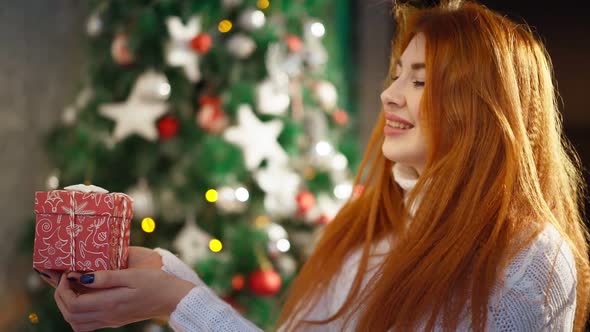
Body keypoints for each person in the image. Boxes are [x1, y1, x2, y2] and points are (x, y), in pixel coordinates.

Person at [40, 0, 590, 331]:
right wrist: (163, 279)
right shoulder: (367, 237)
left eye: (419, 80)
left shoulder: (527, 260)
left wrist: (183, 304)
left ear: (485, 106)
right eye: (397, 74)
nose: (390, 96)